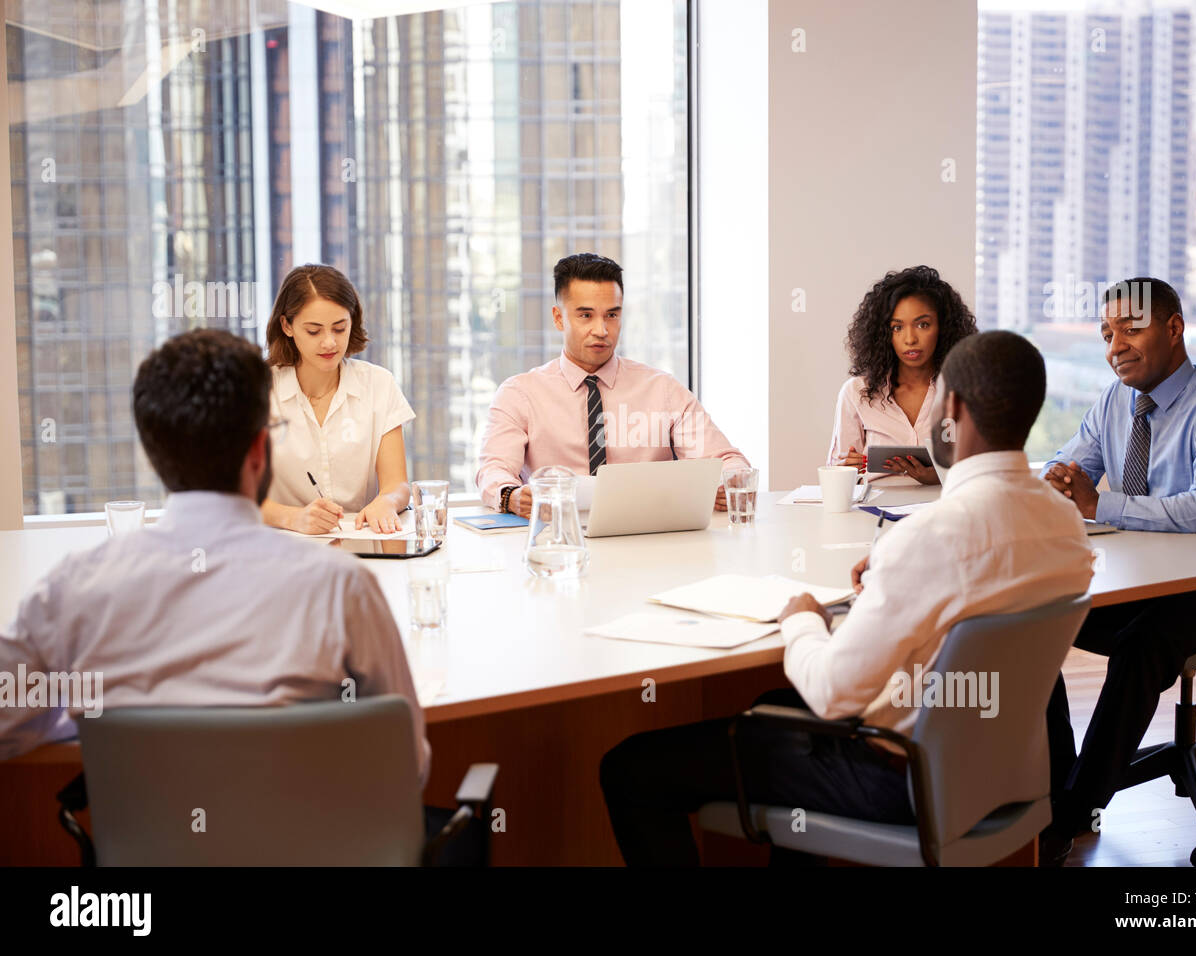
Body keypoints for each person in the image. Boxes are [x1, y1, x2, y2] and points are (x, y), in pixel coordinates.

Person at [599, 331, 1094, 866]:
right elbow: (983, 595)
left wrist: (803, 620)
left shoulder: (928, 537)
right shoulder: (1065, 523)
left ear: (950, 408)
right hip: (1001, 773)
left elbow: (833, 695)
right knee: (772, 711)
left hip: (900, 779)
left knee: (632, 768)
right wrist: (893, 578)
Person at [0, 330, 430, 790]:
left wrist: (95, 723)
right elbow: (407, 764)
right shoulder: (341, 586)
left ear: (153, 454)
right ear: (260, 451)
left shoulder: (75, 588)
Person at [1039, 277, 1196, 861]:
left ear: (1174, 328)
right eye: (1106, 333)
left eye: (1131, 328)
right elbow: (1070, 461)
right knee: (1038, 618)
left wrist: (1100, 504)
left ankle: (1073, 812)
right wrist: (1057, 477)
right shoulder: (1113, 402)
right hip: (1150, 576)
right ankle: (1060, 787)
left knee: (1144, 642)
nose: (1115, 344)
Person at [476, 253, 750, 516]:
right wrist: (510, 496)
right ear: (559, 318)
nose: (602, 330)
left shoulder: (662, 389)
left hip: (651, 540)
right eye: (586, 316)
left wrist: (729, 483)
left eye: (611, 315)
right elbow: (493, 469)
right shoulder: (520, 394)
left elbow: (728, 460)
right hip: (559, 538)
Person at [260, 264, 414, 535]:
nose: (330, 343)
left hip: (361, 541)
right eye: (314, 331)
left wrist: (386, 502)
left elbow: (397, 485)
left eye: (339, 328)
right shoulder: (258, 390)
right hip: (282, 546)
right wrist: (292, 518)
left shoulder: (378, 384)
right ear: (287, 326)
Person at [827, 265, 976, 485]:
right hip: (873, 514)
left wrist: (938, 477)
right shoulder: (856, 392)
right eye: (897, 327)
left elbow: (981, 471)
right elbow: (836, 478)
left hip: (942, 509)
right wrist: (847, 471)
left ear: (943, 327)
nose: (910, 339)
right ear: (884, 333)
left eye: (922, 324)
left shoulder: (964, 390)